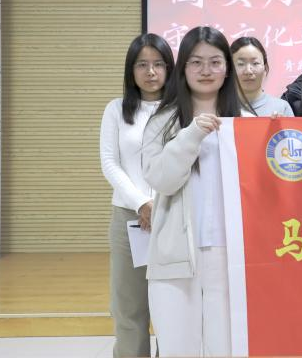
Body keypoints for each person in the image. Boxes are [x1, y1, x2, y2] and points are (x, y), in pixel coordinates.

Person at [142, 26, 251, 357]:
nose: (206, 70)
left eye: (215, 62)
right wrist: (191, 135)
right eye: (196, 62)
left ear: (227, 68)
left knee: (228, 349)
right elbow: (161, 180)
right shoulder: (162, 121)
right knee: (178, 348)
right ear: (183, 68)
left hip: (232, 257)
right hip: (175, 256)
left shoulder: (247, 121)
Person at [100, 33, 174, 358]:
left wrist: (159, 202)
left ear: (169, 68)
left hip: (173, 215)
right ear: (131, 70)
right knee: (128, 306)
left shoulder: (181, 110)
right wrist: (141, 202)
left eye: (158, 64)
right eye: (142, 64)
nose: (151, 72)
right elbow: (110, 162)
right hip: (129, 218)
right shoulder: (116, 109)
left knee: (172, 305)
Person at [230, 36, 294, 117]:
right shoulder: (219, 107)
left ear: (265, 68)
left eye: (255, 63)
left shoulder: (281, 108)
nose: (248, 71)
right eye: (241, 64)